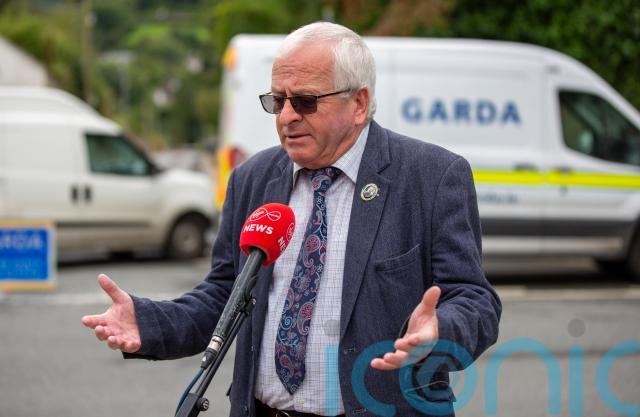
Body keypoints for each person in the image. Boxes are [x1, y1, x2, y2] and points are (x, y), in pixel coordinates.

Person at [82, 22, 501, 417]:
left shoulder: (431, 177)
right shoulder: (252, 179)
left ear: (358, 103)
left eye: (305, 102)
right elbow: (224, 294)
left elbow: (475, 301)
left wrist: (441, 330)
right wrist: (150, 322)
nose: (286, 117)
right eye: (277, 101)